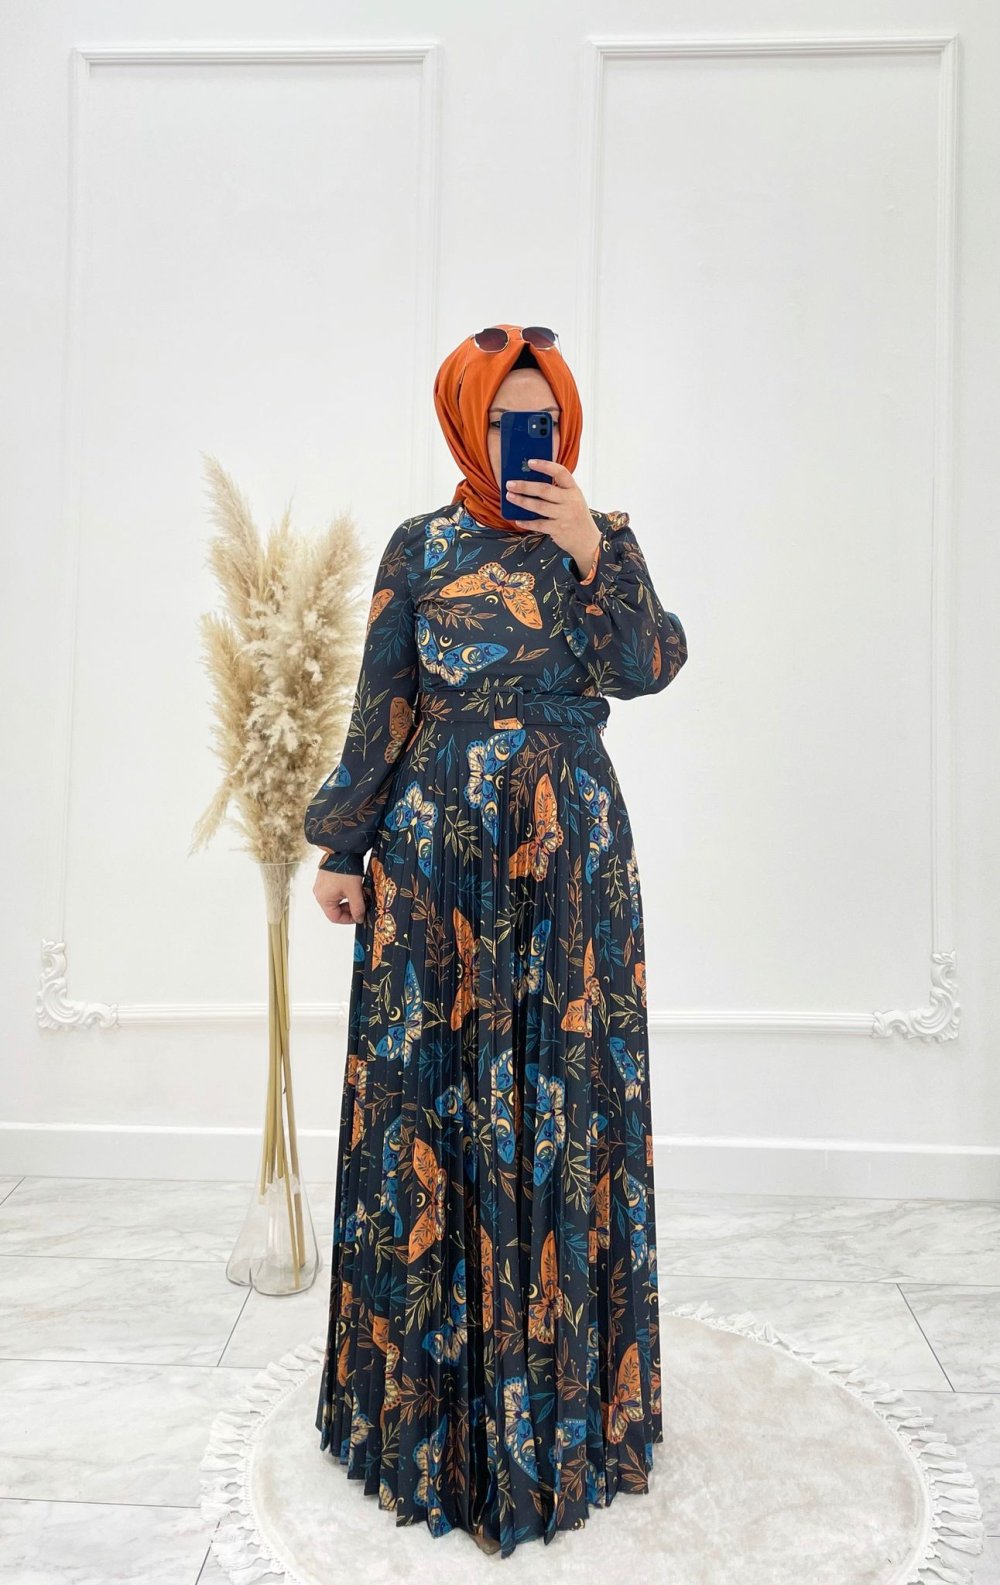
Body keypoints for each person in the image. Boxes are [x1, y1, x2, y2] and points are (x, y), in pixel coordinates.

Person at [305, 322, 688, 1557]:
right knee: (432, 1109)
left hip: (569, 859)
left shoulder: (599, 543)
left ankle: (569, 1413)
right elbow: (384, 704)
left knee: (566, 1103)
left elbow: (649, 667)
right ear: (467, 423)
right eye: (506, 418)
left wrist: (593, 550)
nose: (529, 437)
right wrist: (343, 845)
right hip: (434, 861)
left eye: (546, 418)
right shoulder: (419, 547)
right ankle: (425, 1419)